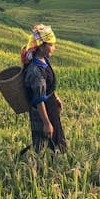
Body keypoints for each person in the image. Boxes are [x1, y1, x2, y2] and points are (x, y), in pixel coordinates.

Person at [20, 24, 66, 154]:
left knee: (57, 143)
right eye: (51, 45)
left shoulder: (44, 60)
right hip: (41, 112)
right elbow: (38, 99)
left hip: (50, 106)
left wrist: (55, 97)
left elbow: (47, 86)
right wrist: (46, 123)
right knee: (42, 145)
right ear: (42, 46)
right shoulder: (35, 70)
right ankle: (36, 168)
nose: (54, 48)